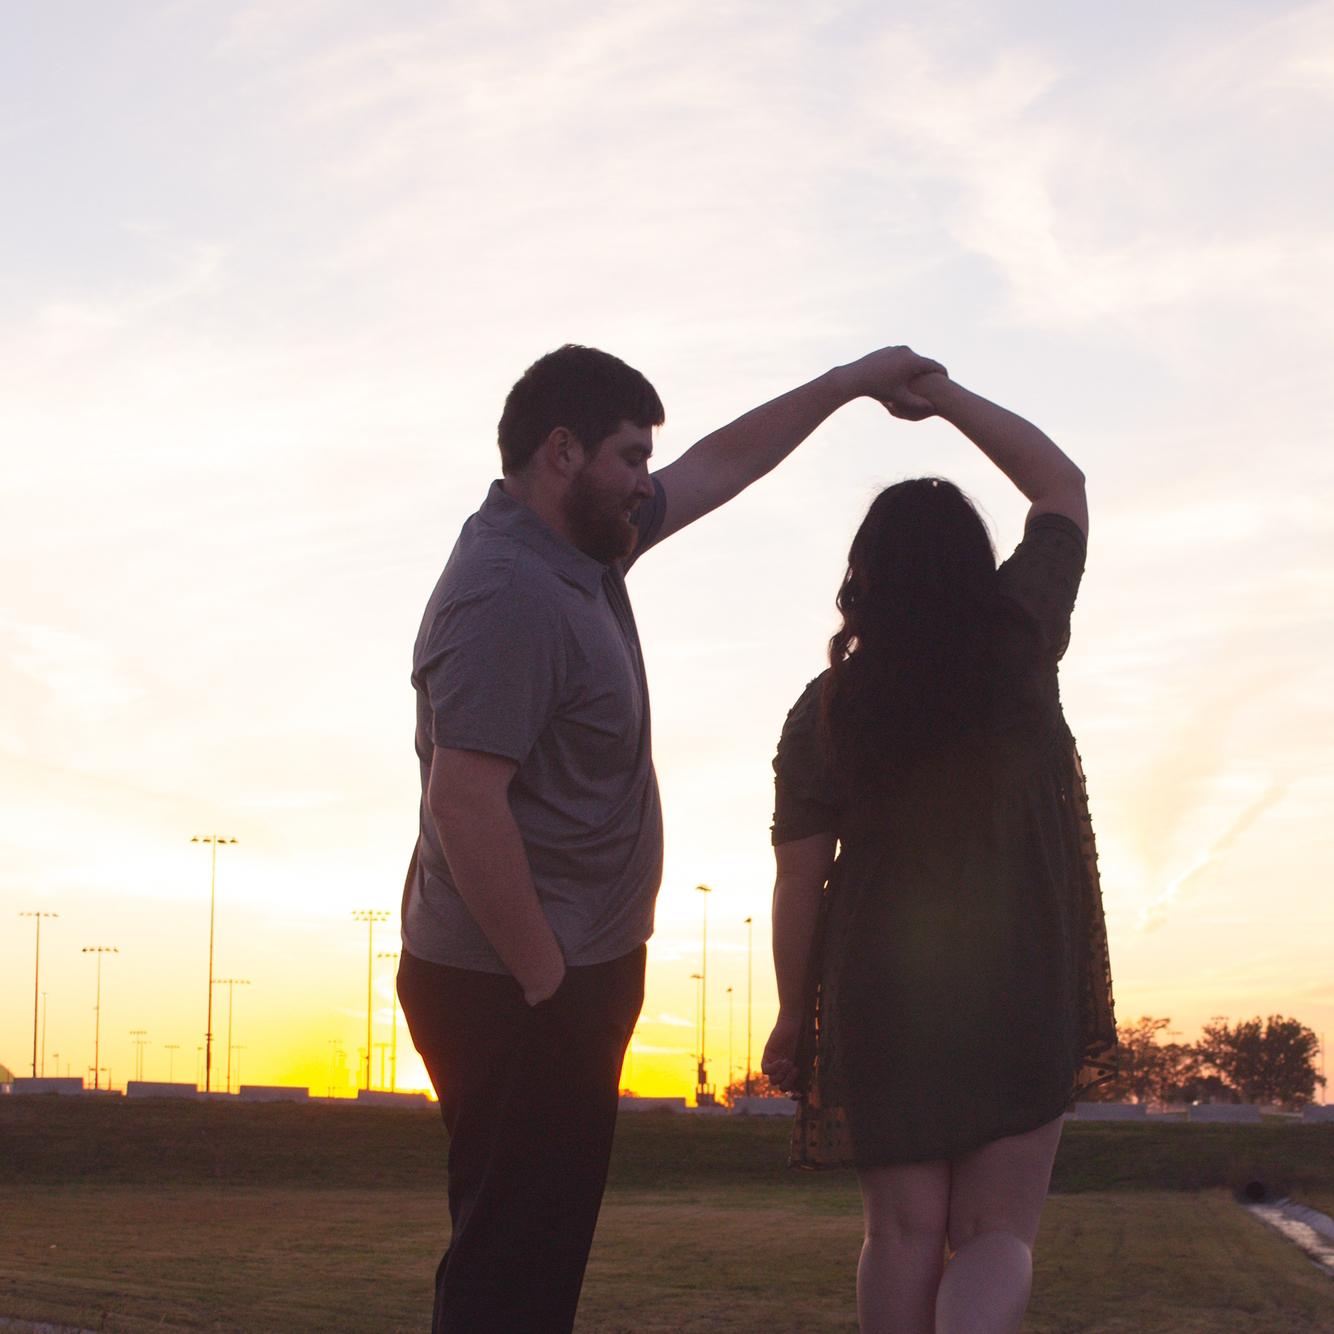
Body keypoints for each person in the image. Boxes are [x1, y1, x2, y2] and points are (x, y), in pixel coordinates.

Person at [397, 340, 946, 1333]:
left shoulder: (581, 548)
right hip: (513, 984)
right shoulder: (507, 593)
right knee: (508, 1270)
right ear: (561, 453)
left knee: (531, 1255)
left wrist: (843, 384)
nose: (648, 481)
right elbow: (462, 802)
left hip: (562, 972)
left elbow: (719, 468)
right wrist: (546, 978)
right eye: (630, 458)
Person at [762, 369, 1117, 1334]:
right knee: (998, 1233)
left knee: (904, 1235)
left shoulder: (827, 707)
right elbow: (1061, 486)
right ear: (976, 563)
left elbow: (800, 877)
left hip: (883, 992)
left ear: (864, 578)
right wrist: (948, 399)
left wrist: (796, 1013)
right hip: (1018, 977)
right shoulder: (1020, 642)